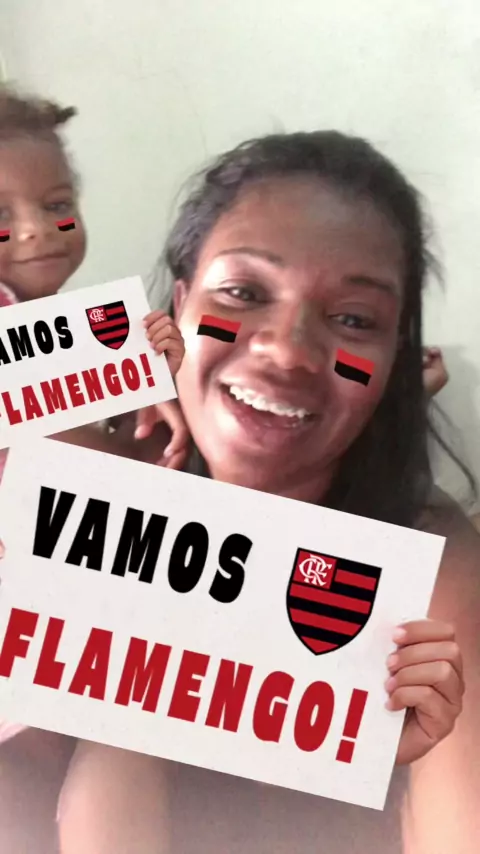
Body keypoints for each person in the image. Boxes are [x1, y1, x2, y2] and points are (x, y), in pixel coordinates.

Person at [52, 131, 479, 854]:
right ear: (178, 307)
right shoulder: (81, 489)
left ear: (393, 361)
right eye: (244, 293)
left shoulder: (430, 580)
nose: (287, 351)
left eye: (354, 320)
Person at [0, 86, 185, 853]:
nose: (37, 230)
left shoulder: (87, 334)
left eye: (58, 205)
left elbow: (110, 464)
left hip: (78, 608)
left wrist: (157, 369)